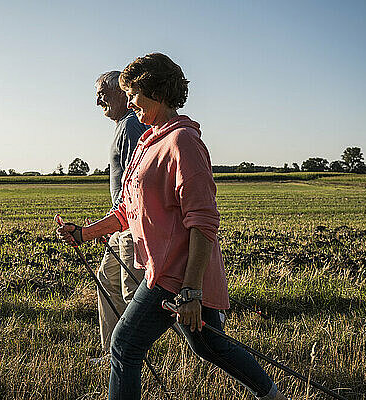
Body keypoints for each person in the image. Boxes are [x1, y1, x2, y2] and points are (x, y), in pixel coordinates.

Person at [58, 53, 289, 400]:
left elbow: (204, 222)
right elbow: (127, 209)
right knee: (209, 345)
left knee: (124, 344)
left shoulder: (184, 142)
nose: (131, 101)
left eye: (134, 93)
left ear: (158, 92)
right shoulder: (148, 141)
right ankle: (272, 395)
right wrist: (84, 233)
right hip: (163, 271)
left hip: (177, 276)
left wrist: (192, 291)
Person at [94, 71, 148, 355]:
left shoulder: (130, 127)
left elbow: (134, 184)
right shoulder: (123, 126)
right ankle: (112, 355)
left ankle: (130, 356)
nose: (98, 99)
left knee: (131, 294)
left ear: (122, 93)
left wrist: (112, 224)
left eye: (102, 91)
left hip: (130, 226)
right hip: (119, 225)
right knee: (106, 283)